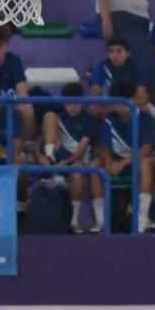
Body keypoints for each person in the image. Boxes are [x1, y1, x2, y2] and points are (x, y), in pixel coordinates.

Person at [99, 79, 155, 232]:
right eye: (118, 103)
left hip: (137, 162)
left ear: (134, 100)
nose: (122, 108)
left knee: (146, 164)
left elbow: (146, 149)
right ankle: (100, 221)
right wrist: (108, 162)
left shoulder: (145, 118)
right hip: (118, 162)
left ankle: (142, 219)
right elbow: (105, 147)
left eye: (126, 103)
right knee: (95, 165)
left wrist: (123, 164)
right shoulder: (109, 119)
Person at [41, 83, 100, 231]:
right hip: (60, 158)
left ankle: (75, 220)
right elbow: (40, 140)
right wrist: (42, 156)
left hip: (78, 159)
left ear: (83, 101)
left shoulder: (90, 119)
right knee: (49, 116)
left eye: (75, 103)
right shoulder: (58, 118)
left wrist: (66, 162)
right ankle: (52, 164)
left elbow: (81, 150)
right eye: (67, 103)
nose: (71, 107)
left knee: (78, 171)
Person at [95, 0, 155, 99]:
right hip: (120, 20)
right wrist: (106, 19)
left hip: (139, 23)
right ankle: (127, 104)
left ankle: (141, 103)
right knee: (130, 65)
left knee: (143, 65)